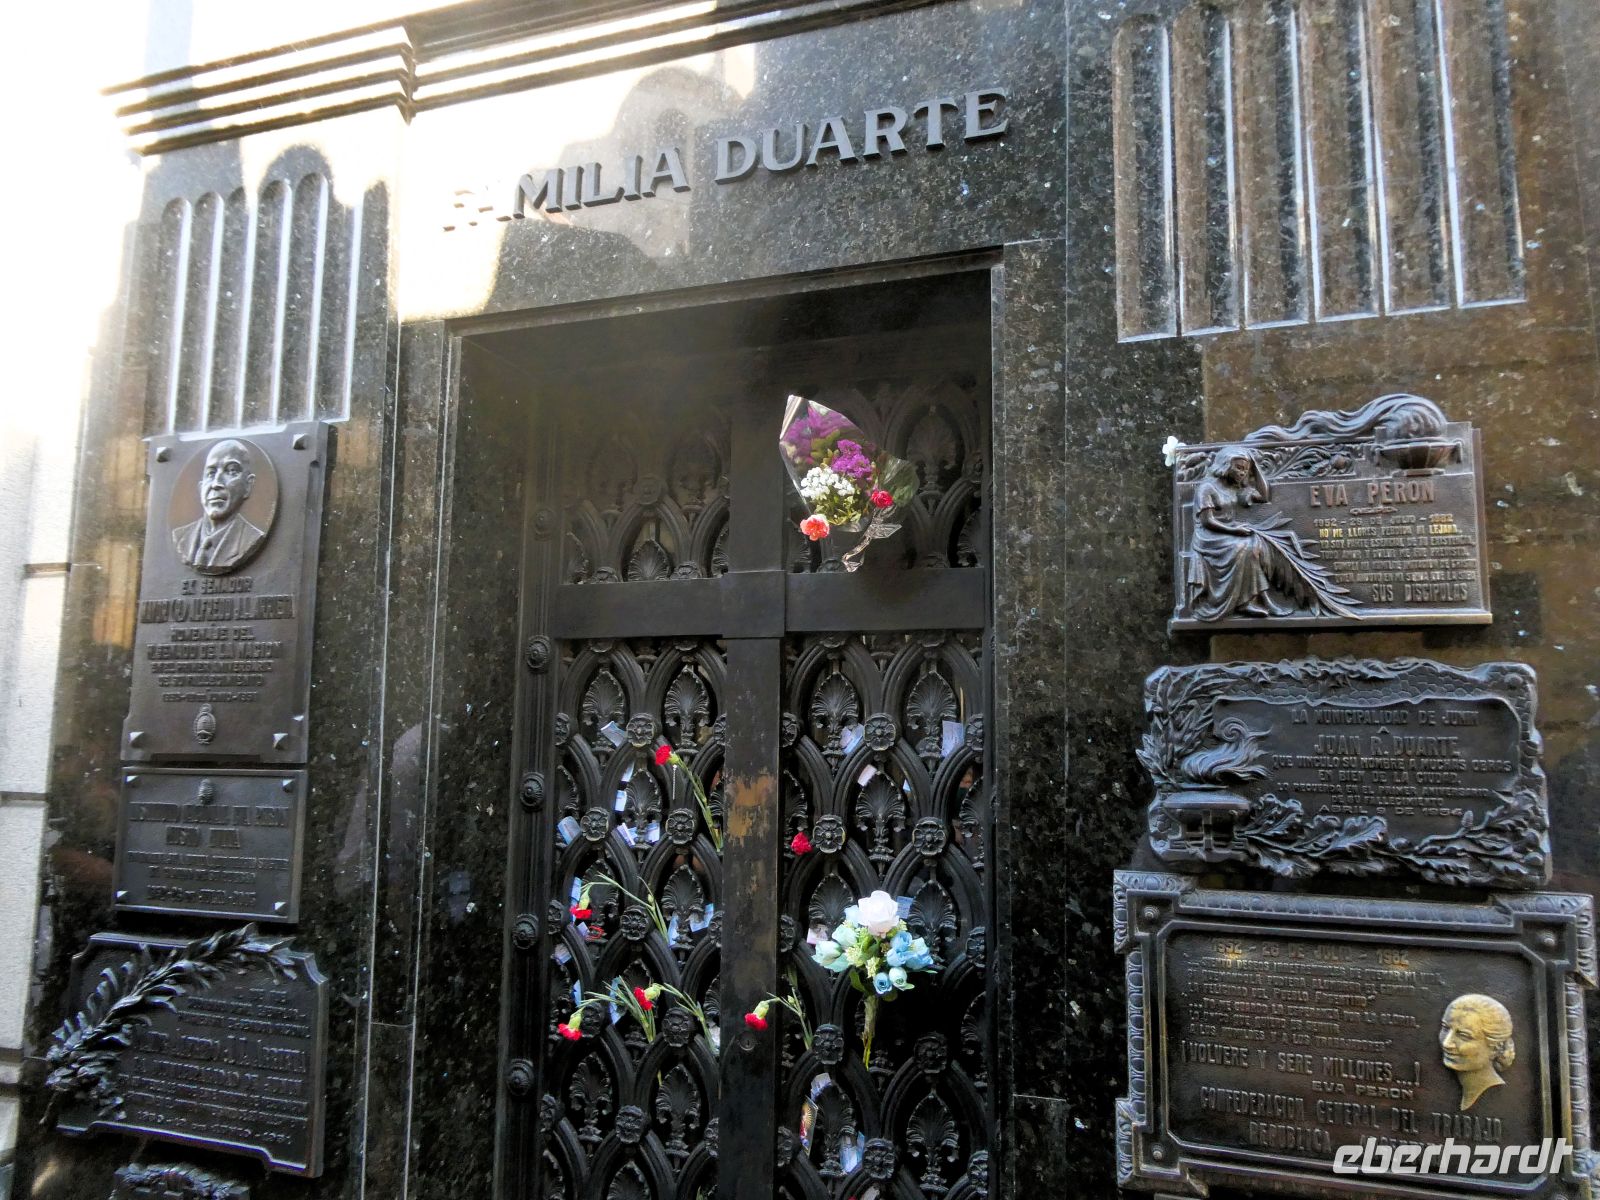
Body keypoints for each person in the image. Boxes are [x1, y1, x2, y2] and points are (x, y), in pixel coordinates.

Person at [1184, 446, 1355, 620]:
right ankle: (1249, 602)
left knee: (1255, 546)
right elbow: (1207, 521)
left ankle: (1258, 600)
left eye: (1246, 469)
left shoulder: (1234, 487)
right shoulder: (1207, 488)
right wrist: (1234, 530)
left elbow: (1264, 495)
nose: (1242, 473)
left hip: (1229, 534)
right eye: (1239, 468)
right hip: (1209, 537)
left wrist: (1255, 467)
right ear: (1225, 465)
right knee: (1244, 548)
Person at [171, 438, 269, 574]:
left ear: (248, 485)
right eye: (211, 473)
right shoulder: (180, 537)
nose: (216, 483)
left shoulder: (251, 538)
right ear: (200, 487)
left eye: (231, 471)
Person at [1439, 994, 1515, 1111]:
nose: (1446, 1043)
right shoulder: (1445, 1093)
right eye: (1445, 1028)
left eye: (1464, 1035)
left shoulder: (1503, 1103)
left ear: (1495, 1048)